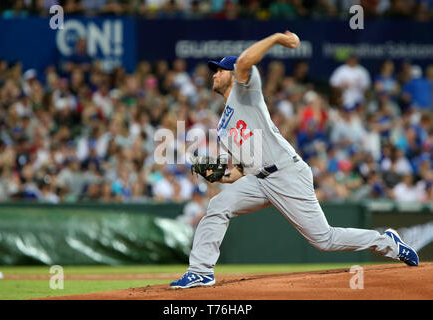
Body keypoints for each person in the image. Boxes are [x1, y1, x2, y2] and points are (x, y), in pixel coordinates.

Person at [169, 30, 419, 289]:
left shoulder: (245, 92)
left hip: (286, 173)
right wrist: (216, 175)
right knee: (218, 205)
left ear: (233, 75)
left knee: (324, 240)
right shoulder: (223, 126)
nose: (215, 73)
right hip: (259, 180)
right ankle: (200, 271)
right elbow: (239, 172)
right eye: (215, 70)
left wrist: (277, 38)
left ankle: (388, 242)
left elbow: (244, 62)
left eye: (220, 70)